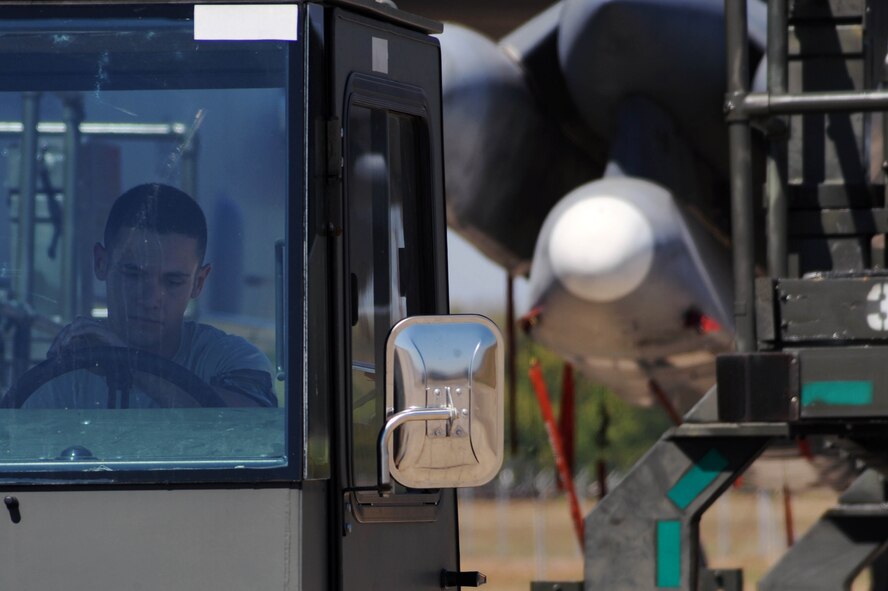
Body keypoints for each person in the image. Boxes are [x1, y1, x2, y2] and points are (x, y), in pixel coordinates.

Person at [25, 183, 277, 408]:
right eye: (133, 274)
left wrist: (126, 361)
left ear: (198, 283)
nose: (150, 298)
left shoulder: (230, 359)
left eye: (173, 281)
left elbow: (245, 429)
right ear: (101, 263)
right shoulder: (66, 372)